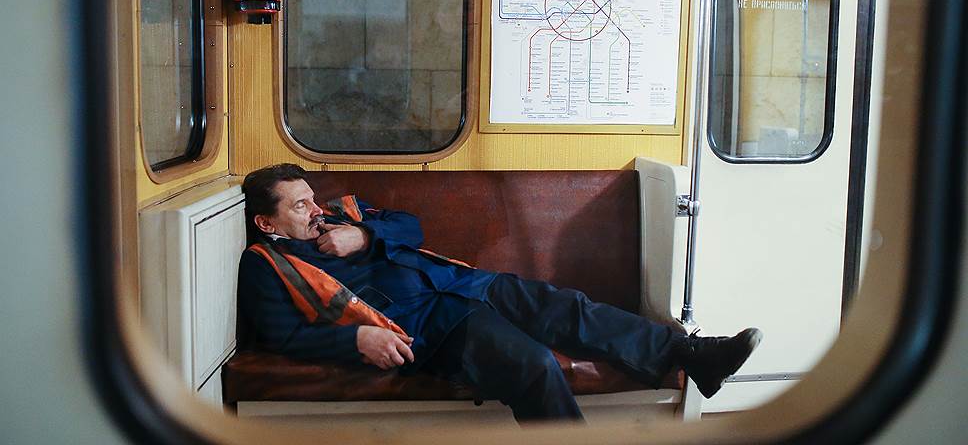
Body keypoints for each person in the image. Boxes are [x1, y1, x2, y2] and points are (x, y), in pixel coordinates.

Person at [237, 163, 761, 423]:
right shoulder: (268, 265)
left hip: (465, 284)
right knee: (534, 365)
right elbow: (282, 337)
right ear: (267, 222)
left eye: (312, 199)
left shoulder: (347, 216)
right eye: (299, 207)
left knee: (570, 309)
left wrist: (365, 235)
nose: (316, 211)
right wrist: (355, 341)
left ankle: (693, 355)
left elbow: (411, 227)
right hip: (432, 327)